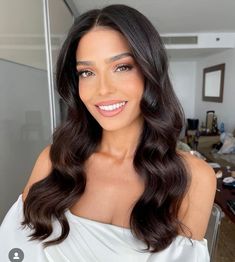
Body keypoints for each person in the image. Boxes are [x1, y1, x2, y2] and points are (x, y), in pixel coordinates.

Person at [0, 4, 216, 261]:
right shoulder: (53, 161)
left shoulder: (194, 179)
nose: (102, 90)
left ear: (151, 71)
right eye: (87, 72)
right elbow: (14, 249)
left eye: (122, 67)